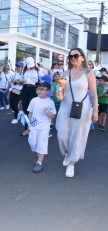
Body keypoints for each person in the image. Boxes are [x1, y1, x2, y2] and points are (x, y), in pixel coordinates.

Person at [56, 47, 98, 178]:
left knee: (78, 134)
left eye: (76, 56)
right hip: (65, 105)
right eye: (71, 56)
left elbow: (93, 93)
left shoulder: (88, 73)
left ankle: (72, 163)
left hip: (83, 107)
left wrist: (95, 110)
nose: (73, 58)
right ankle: (68, 153)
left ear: (82, 57)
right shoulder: (65, 73)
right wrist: (59, 92)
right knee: (62, 133)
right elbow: (61, 91)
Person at [28, 82, 56, 173]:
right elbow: (30, 112)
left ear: (48, 91)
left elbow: (53, 116)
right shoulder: (33, 100)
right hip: (34, 126)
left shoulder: (50, 102)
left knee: (42, 144)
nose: (39, 90)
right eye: (38, 88)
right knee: (32, 143)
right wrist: (29, 123)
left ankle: (39, 163)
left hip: (44, 126)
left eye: (42, 89)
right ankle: (37, 155)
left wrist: (48, 113)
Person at [19, 57, 43, 136]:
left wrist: (39, 88)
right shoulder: (24, 69)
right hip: (25, 88)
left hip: (34, 89)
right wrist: (21, 81)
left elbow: (42, 81)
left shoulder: (38, 70)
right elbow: (21, 79)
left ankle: (34, 127)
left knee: (32, 109)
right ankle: (27, 128)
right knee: (25, 108)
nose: (31, 67)